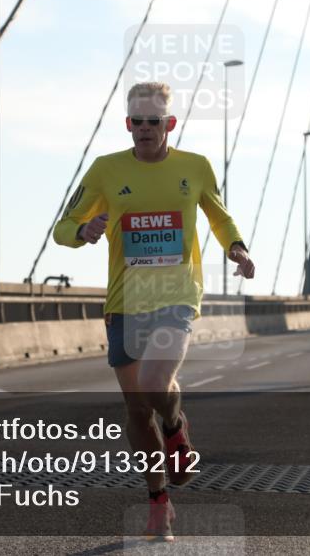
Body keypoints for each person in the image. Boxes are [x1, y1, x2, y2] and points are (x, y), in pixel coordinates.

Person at [53, 81, 255, 541]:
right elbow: (62, 228)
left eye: (153, 122)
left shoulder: (196, 167)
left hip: (177, 295)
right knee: (137, 407)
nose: (144, 129)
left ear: (170, 124)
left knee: (153, 383)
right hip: (125, 302)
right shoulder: (106, 171)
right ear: (128, 124)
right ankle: (158, 502)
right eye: (136, 122)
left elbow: (219, 217)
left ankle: (176, 427)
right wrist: (85, 231)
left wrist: (237, 248)